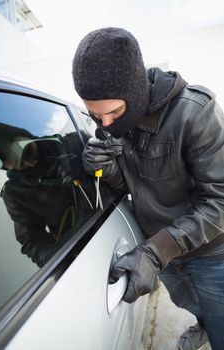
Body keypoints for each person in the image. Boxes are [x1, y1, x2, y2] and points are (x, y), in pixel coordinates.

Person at [72, 27, 224, 350]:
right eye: (96, 116)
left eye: (114, 112)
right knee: (193, 304)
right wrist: (106, 167)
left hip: (211, 253)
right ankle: (204, 324)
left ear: (137, 90)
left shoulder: (195, 113)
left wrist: (156, 253)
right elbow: (131, 186)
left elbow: (220, 200)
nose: (107, 125)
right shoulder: (113, 126)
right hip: (162, 254)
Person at [0, 122, 94, 267]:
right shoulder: (15, 195)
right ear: (7, 167)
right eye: (20, 165)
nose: (30, 163)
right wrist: (55, 257)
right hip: (81, 249)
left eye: (26, 152)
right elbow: (30, 239)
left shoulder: (75, 143)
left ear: (25, 135)